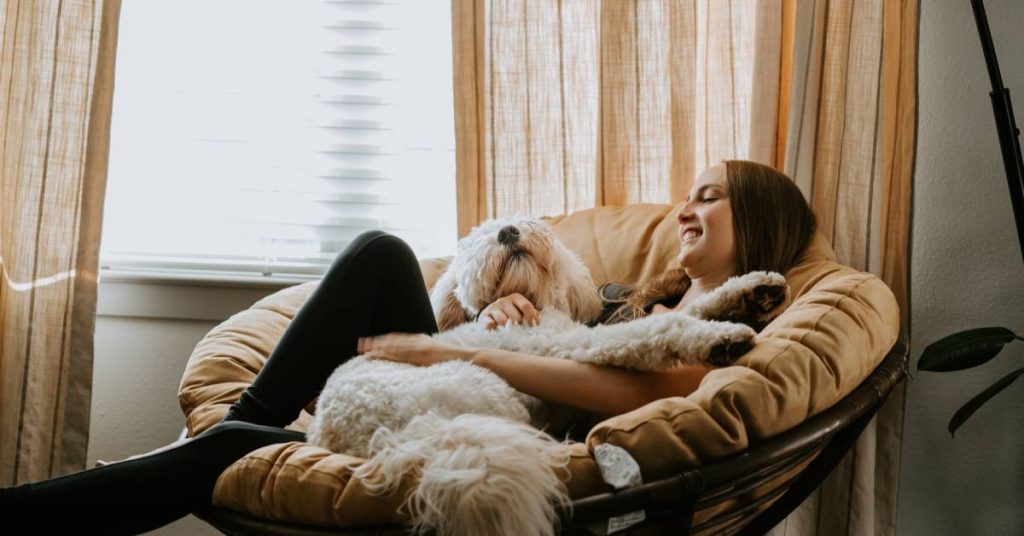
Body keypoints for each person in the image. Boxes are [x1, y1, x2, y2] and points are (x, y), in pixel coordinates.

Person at [0, 159, 817, 534]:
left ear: (760, 228)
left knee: (234, 448)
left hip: (486, 406)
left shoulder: (726, 325)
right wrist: (488, 321)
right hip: (451, 387)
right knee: (382, 256)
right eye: (687, 196)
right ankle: (223, 434)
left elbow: (634, 396)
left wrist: (459, 354)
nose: (685, 208)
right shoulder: (630, 293)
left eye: (710, 200)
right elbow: (563, 331)